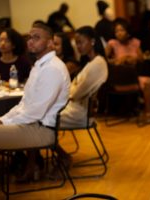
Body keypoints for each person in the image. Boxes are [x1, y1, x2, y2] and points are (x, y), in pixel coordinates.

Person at [0, 23, 70, 181]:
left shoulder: (52, 69)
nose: (30, 41)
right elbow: (24, 104)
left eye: (36, 37)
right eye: (29, 37)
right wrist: (1, 119)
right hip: (32, 124)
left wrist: (4, 122)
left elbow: (34, 113)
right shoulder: (39, 66)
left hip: (40, 130)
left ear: (49, 43)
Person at [53, 26, 108, 167]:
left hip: (79, 113)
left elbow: (75, 93)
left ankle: (61, 156)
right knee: (39, 118)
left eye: (81, 42)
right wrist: (72, 89)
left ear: (93, 41)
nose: (78, 46)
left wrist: (72, 89)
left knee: (40, 121)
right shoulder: (91, 62)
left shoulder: (98, 63)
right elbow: (73, 89)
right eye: (76, 43)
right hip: (76, 108)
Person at [105, 18, 150, 123]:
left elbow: (142, 59)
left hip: (135, 76)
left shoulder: (135, 42)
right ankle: (149, 114)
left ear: (128, 31)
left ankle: (144, 110)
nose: (118, 33)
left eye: (121, 30)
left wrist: (133, 58)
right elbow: (103, 61)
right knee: (149, 83)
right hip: (121, 78)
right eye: (116, 31)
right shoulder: (112, 43)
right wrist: (118, 60)